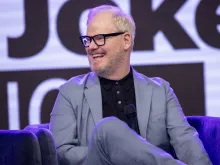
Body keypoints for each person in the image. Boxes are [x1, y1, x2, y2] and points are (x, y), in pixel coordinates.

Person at [49, 5, 212, 165]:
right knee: (107, 130)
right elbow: (59, 152)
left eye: (99, 38)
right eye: (88, 39)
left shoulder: (160, 91)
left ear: (126, 40)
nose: (91, 46)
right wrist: (106, 150)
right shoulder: (70, 92)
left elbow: (186, 142)